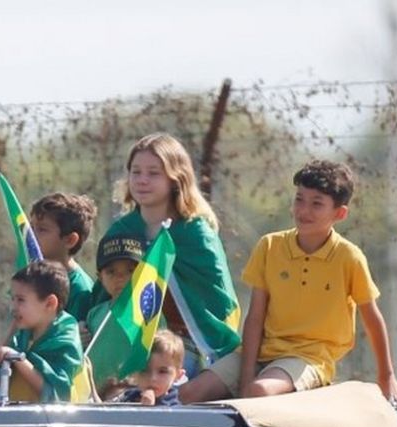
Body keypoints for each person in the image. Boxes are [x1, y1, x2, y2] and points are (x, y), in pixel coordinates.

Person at [179, 160, 397, 403]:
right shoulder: (269, 246)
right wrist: (245, 375)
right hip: (262, 351)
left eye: (317, 203)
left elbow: (372, 319)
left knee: (260, 391)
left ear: (339, 213)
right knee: (189, 393)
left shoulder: (349, 257)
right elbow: (255, 317)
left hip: (308, 358)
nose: (304, 210)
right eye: (299, 199)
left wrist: (386, 375)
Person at [92, 133, 241, 377]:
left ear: (175, 179)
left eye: (153, 173)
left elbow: (218, 302)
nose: (142, 180)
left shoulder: (195, 233)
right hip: (127, 345)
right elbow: (104, 293)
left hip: (185, 346)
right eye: (136, 172)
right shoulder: (122, 231)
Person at [0, 260, 86, 403]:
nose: (13, 307)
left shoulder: (66, 341)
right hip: (21, 421)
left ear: (50, 303)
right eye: (12, 299)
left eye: (20, 300)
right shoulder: (21, 338)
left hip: (57, 424)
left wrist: (19, 359)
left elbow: (57, 395)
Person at [83, 233, 148, 400]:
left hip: (132, 393)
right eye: (111, 271)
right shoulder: (95, 314)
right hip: (96, 395)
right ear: (100, 277)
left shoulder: (149, 313)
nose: (120, 278)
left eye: (130, 271)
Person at [29, 192, 97, 320]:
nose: (31, 236)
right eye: (31, 228)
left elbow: (72, 336)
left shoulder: (80, 290)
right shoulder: (32, 277)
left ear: (70, 240)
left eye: (42, 229)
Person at [113, 330, 184, 406]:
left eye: (162, 371)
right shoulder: (128, 396)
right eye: (144, 370)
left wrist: (147, 410)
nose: (153, 378)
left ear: (178, 375)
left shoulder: (176, 411)